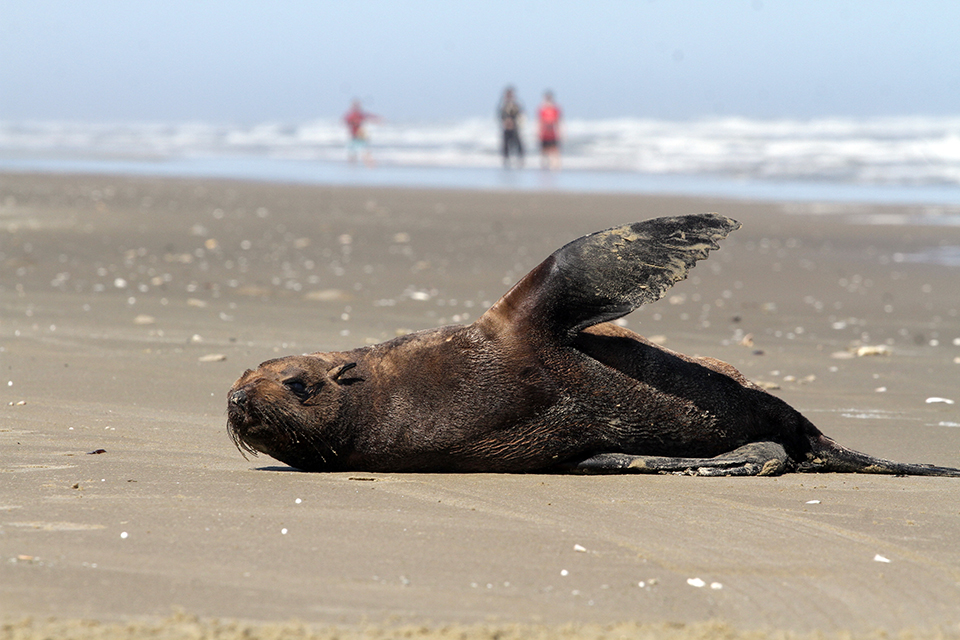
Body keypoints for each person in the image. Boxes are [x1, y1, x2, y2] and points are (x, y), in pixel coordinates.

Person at [343, 100, 380, 166]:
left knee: (364, 152)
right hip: (354, 137)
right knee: (352, 154)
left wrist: (376, 119)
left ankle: (371, 165)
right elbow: (346, 121)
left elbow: (368, 116)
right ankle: (352, 169)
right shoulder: (351, 115)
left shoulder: (359, 115)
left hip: (360, 136)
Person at [497, 86, 524, 167]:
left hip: (515, 128)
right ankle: (506, 161)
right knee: (505, 146)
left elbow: (520, 115)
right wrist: (505, 122)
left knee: (518, 144)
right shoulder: (503, 105)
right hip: (506, 128)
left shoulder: (516, 105)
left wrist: (516, 123)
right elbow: (500, 115)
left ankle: (520, 160)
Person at [538, 90, 562, 170]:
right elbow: (539, 121)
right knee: (544, 150)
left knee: (554, 150)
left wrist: (560, 132)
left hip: (552, 132)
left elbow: (558, 121)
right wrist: (538, 132)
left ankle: (555, 165)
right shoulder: (542, 109)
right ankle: (544, 165)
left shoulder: (555, 109)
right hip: (544, 133)